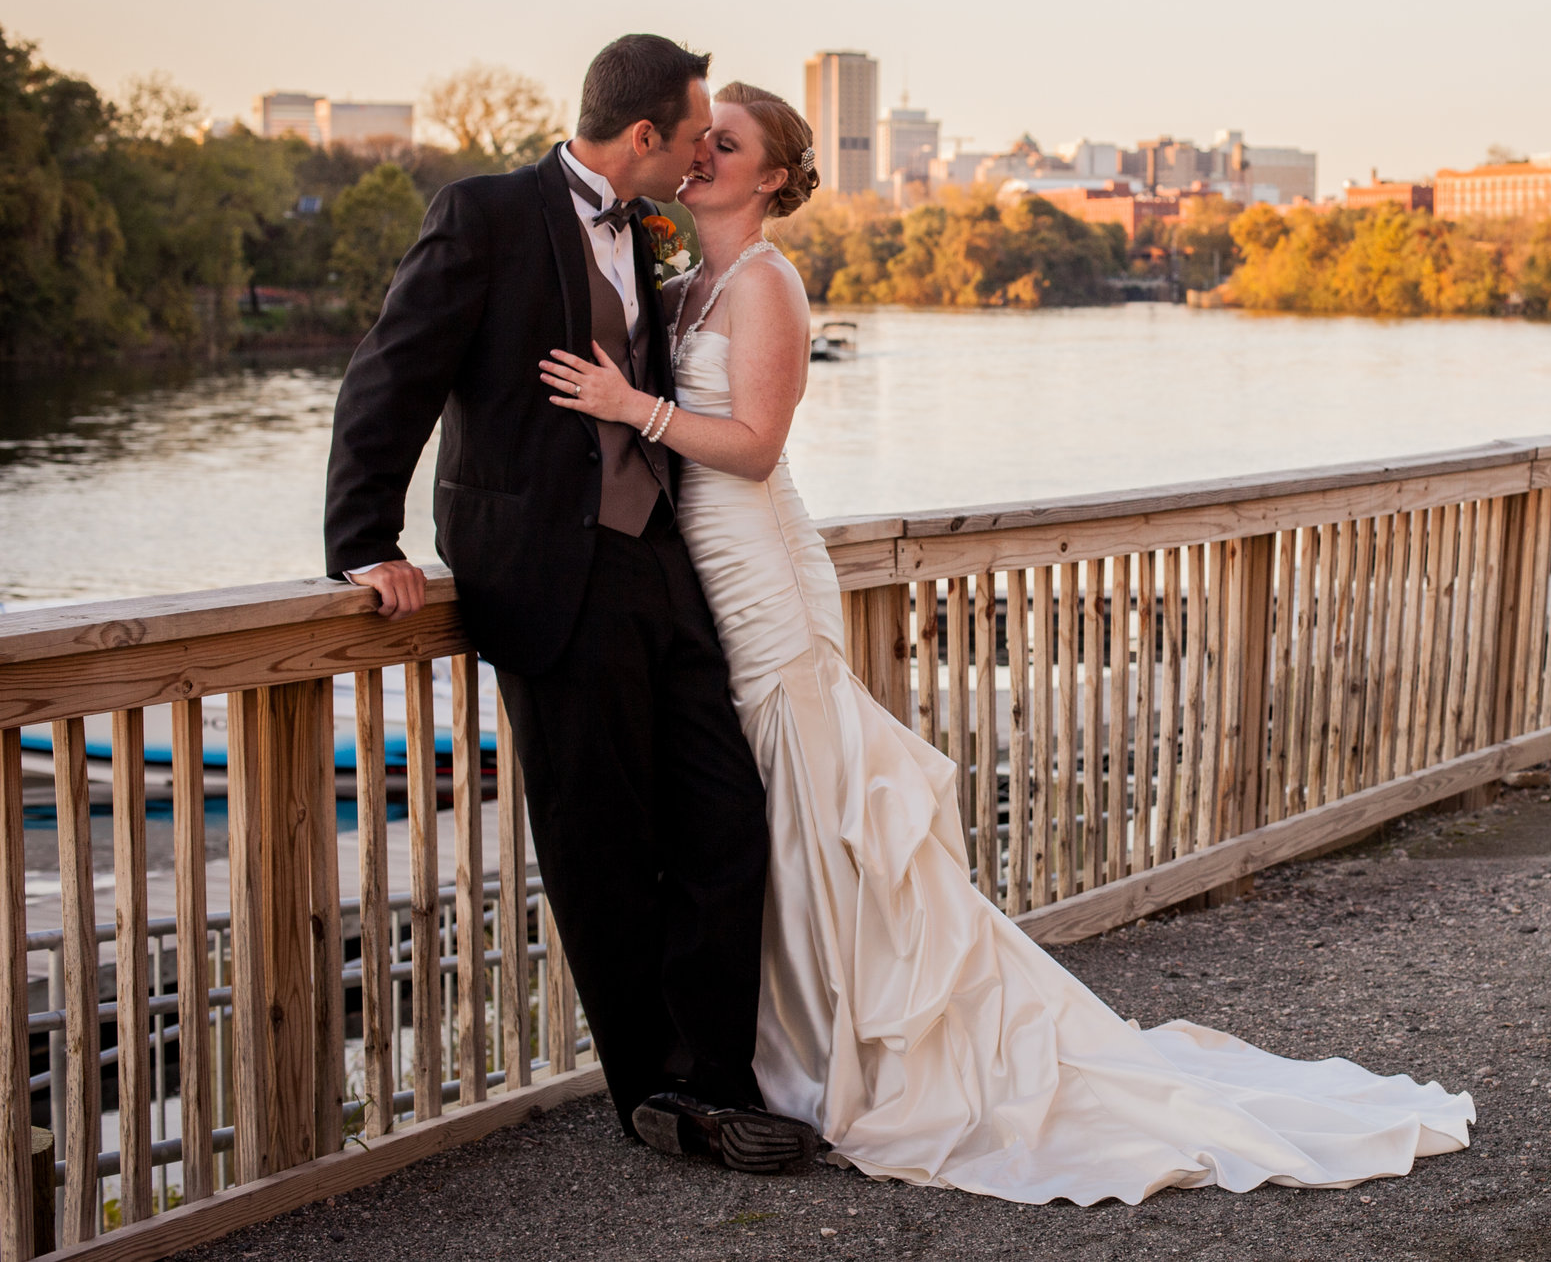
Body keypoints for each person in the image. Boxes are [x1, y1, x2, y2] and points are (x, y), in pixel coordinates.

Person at [538, 80, 1474, 1205]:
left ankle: (875, 1050)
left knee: (812, 793)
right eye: (697, 139)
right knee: (760, 815)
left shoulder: (769, 286)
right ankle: (790, 1045)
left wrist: (627, 405)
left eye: (723, 143)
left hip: (765, 573)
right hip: (701, 579)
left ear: (773, 174)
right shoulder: (682, 286)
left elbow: (751, 442)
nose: (699, 155)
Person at [324, 36, 818, 1173]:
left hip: (662, 564)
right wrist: (364, 541)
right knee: (600, 845)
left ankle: (719, 1069)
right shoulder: (487, 213)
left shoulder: (657, 243)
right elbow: (390, 374)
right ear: (645, 136)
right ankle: (660, 1095)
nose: (704, 152)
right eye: (695, 133)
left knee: (724, 822)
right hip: (547, 579)